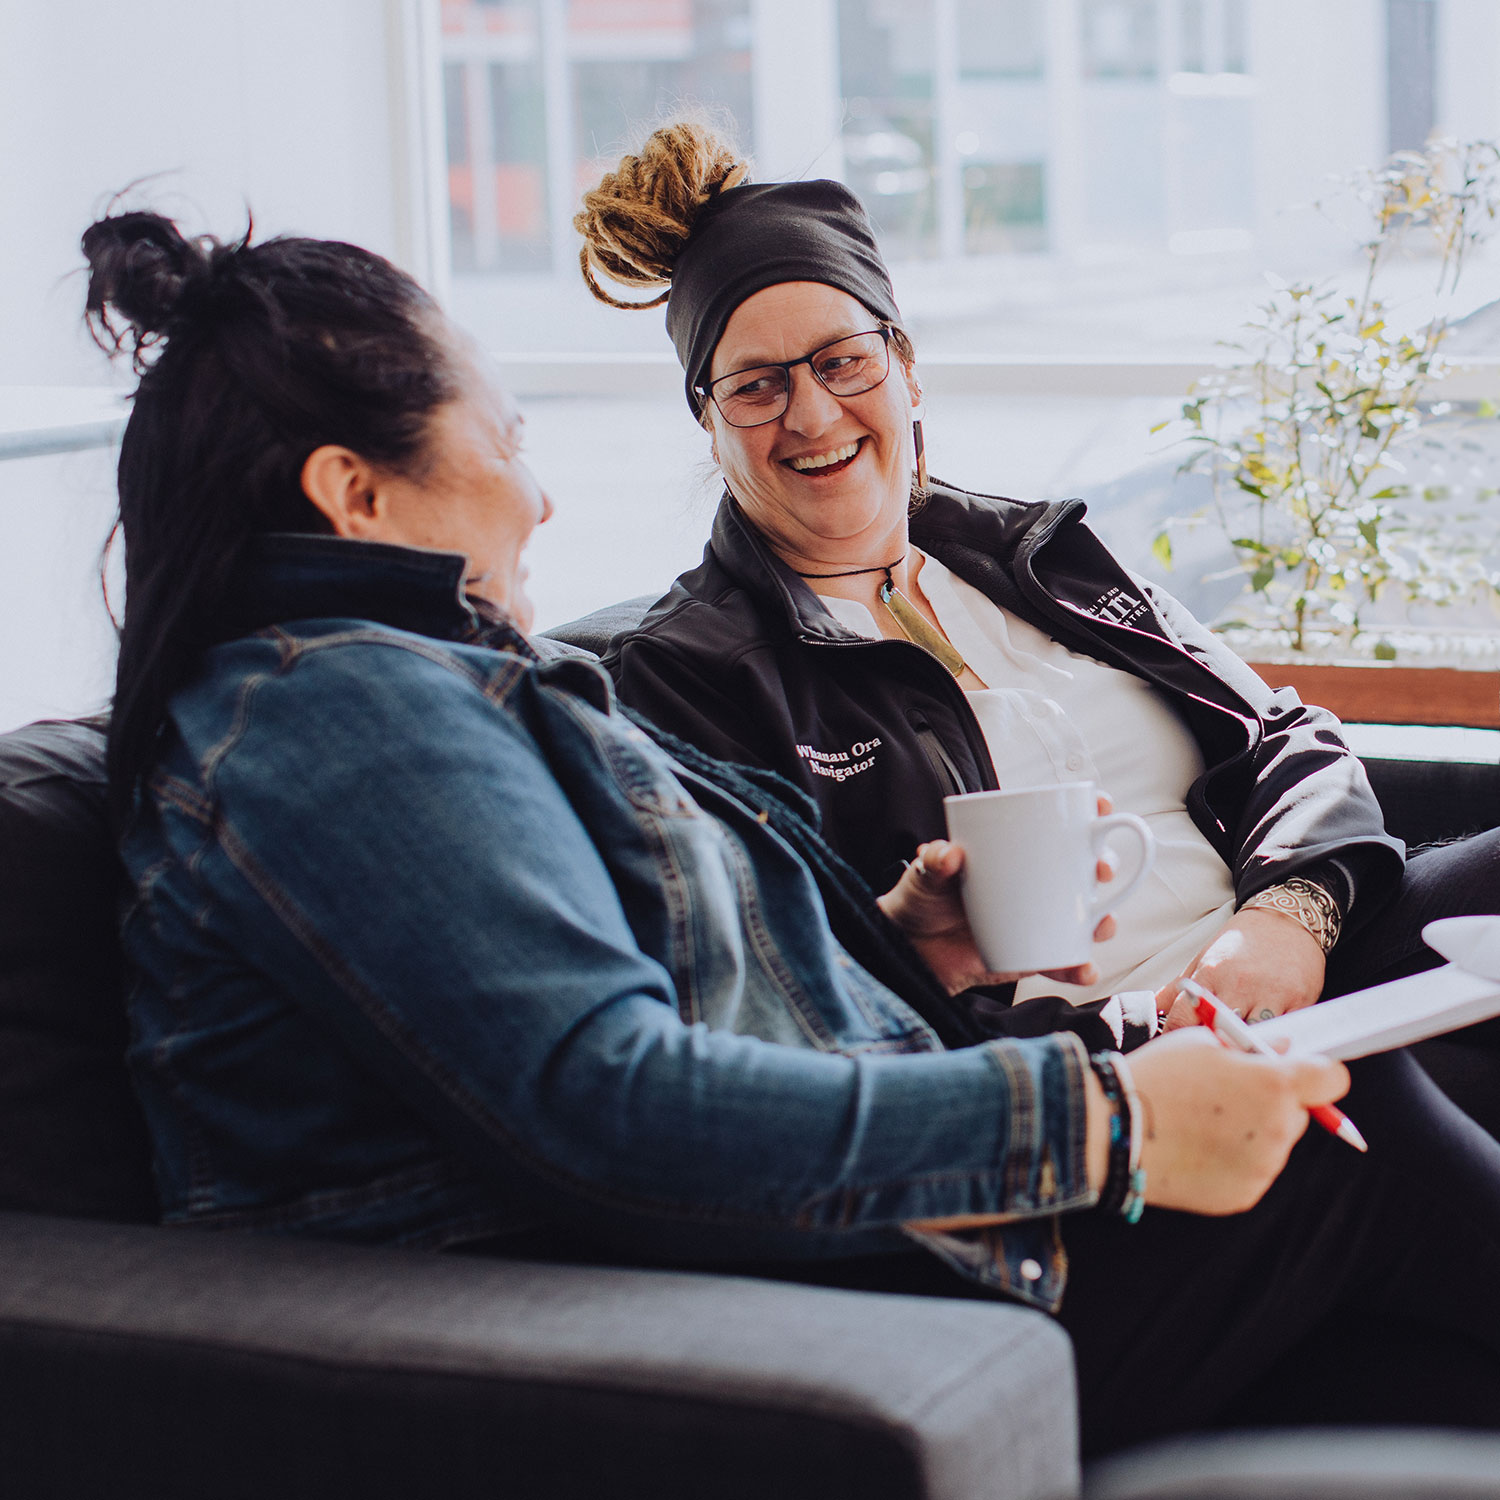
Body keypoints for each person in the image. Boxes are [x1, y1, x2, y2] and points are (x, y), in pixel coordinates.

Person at [86, 207, 1500, 1461]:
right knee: (1342, 1121)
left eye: (845, 363)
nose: (541, 495)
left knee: (1395, 1334)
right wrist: (1108, 1122)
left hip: (809, 1238)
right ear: (355, 491)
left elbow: (596, 993)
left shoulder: (389, 692)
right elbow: (605, 1104)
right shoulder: (339, 719)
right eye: (509, 442)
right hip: (716, 1300)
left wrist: (892, 948)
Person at [579, 122, 1500, 1063]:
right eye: (756, 385)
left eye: (842, 359)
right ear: (709, 419)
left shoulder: (1039, 558)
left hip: (1289, 961)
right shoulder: (687, 675)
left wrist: (1288, 919)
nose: (811, 413)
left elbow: (1282, 738)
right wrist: (1161, 1032)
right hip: (1121, 1071)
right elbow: (792, 1004)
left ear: (907, 370)